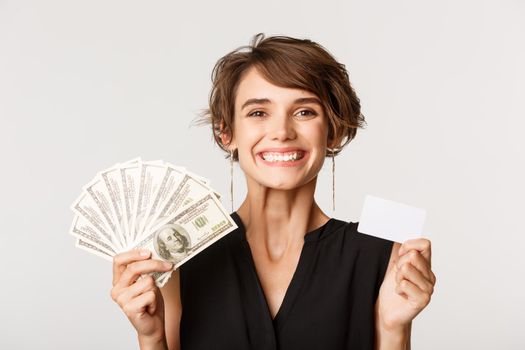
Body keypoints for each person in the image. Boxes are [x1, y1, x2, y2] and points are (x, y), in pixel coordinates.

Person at [110, 33, 436, 350]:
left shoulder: (380, 254)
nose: (281, 132)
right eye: (258, 113)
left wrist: (395, 328)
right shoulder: (179, 256)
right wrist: (150, 338)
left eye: (305, 111)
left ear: (334, 131)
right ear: (226, 132)